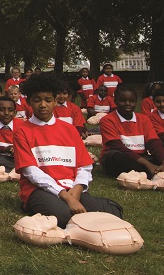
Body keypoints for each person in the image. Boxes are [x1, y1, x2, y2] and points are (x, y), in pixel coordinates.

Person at [14, 74, 122, 228]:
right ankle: (33, 205)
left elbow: (84, 165)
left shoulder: (69, 129)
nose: (43, 105)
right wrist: (66, 197)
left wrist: (78, 188)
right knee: (63, 216)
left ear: (55, 101)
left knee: (113, 212)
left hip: (71, 187)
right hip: (38, 188)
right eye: (37, 100)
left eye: (48, 100)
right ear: (29, 102)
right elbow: (31, 172)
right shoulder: (22, 131)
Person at [99, 85, 164, 177]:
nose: (127, 103)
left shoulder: (144, 119)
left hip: (143, 159)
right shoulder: (107, 120)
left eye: (131, 101)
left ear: (136, 102)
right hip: (123, 158)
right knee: (115, 156)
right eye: (122, 100)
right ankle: (155, 173)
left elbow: (154, 143)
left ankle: (151, 172)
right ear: (115, 101)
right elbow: (117, 147)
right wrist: (148, 165)